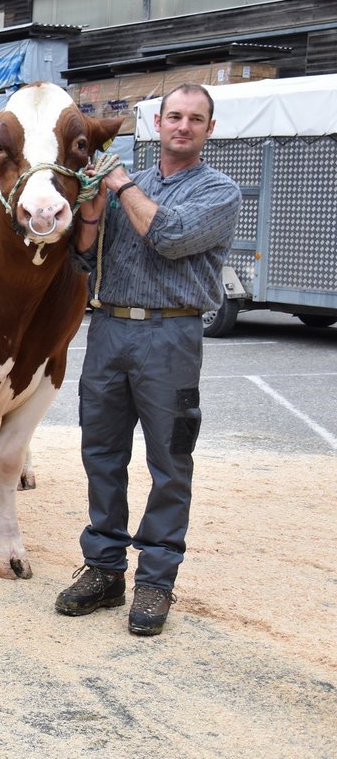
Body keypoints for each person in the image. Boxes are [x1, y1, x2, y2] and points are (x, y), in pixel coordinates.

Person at [56, 83, 241, 636]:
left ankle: (156, 581)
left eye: (195, 119)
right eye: (174, 117)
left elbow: (168, 234)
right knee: (102, 455)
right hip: (110, 328)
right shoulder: (115, 184)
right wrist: (91, 211)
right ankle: (106, 569)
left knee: (169, 462)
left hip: (172, 336)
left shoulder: (219, 191)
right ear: (157, 123)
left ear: (210, 130)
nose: (183, 126)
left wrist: (119, 185)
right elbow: (83, 257)